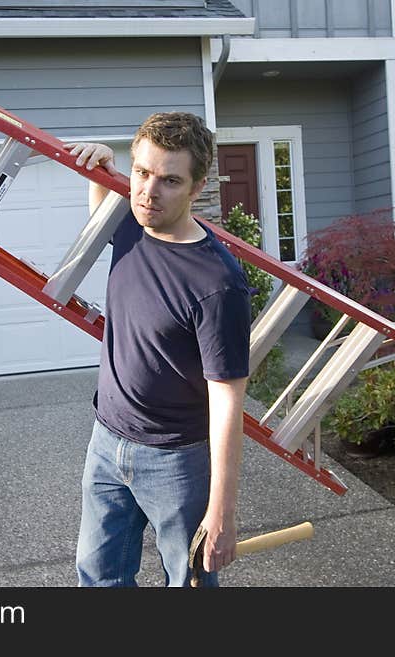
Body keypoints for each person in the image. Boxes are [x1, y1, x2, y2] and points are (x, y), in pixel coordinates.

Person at [63, 112, 251, 587]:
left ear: (196, 186)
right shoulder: (127, 221)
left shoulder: (217, 283)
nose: (149, 191)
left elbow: (227, 402)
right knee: (98, 578)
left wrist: (221, 512)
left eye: (169, 180)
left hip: (177, 462)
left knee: (187, 584)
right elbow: (98, 221)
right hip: (106, 443)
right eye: (141, 173)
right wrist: (101, 168)